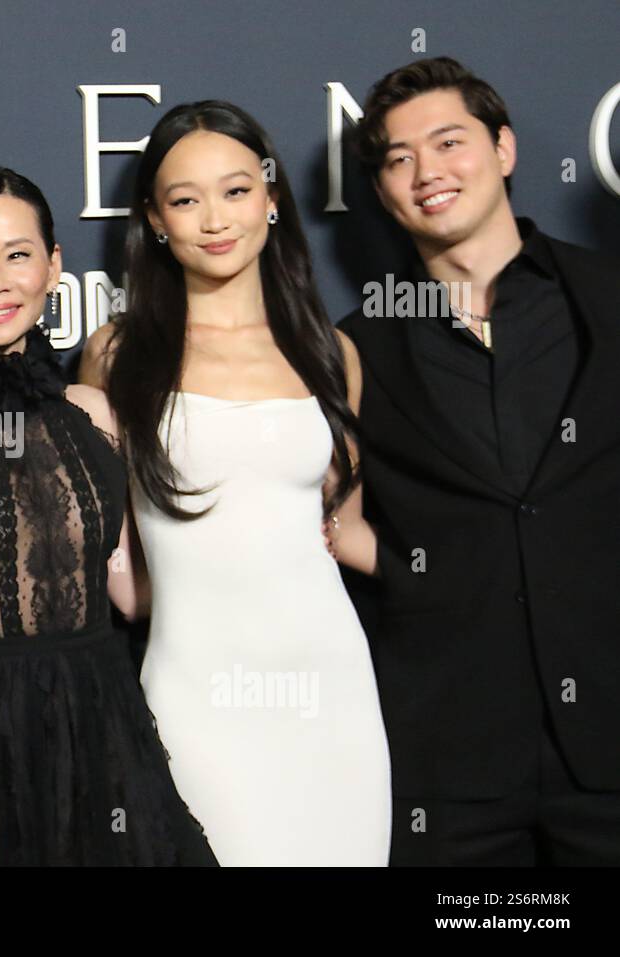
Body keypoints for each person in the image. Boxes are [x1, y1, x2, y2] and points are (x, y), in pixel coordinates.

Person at [0, 165, 217, 866]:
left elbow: (128, 588)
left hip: (107, 731)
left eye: (18, 254)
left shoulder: (97, 414)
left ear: (53, 267)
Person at [80, 102, 391, 866]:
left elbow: (338, 529)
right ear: (155, 219)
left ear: (273, 198)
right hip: (196, 695)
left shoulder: (330, 351)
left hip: (333, 692)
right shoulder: (116, 355)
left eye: (237, 190)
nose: (215, 219)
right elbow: (116, 562)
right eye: (185, 199)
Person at [331, 57, 620, 865]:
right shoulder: (356, 346)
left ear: (504, 149)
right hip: (447, 761)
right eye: (398, 158)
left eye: (449, 141)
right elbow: (331, 521)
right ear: (383, 189)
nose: (427, 172)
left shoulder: (608, 296)